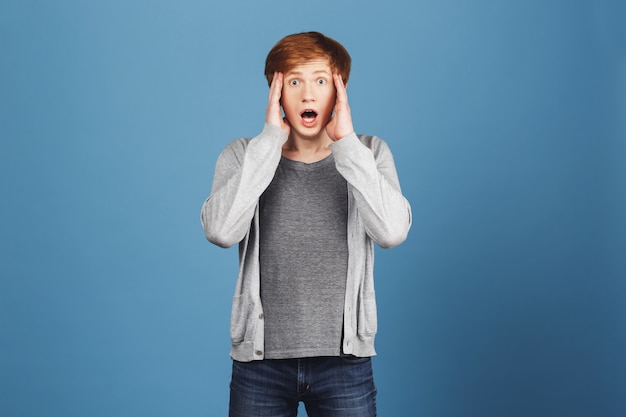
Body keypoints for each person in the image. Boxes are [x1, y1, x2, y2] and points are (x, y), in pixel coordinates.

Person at [201, 31, 412, 417]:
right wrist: (268, 142)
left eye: (321, 80)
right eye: (294, 81)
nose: (308, 95)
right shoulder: (242, 155)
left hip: (344, 364)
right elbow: (220, 231)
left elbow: (392, 231)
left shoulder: (369, 153)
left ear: (339, 90)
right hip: (260, 365)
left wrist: (347, 143)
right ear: (275, 91)